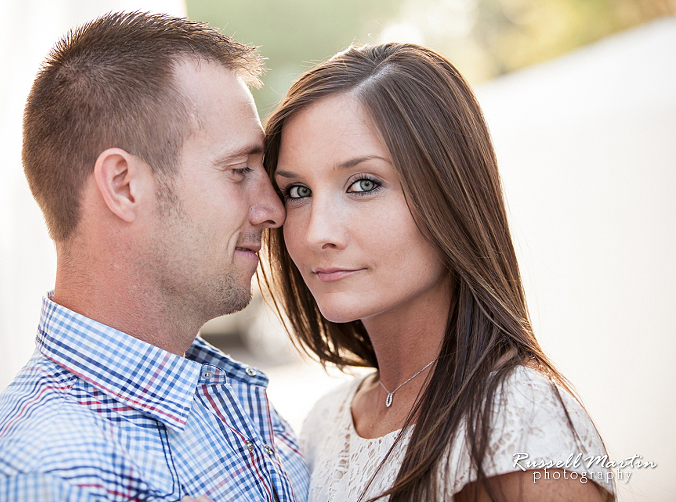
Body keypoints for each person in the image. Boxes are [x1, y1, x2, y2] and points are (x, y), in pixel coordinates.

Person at [0, 12, 308, 501]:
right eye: (239, 170)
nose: (272, 210)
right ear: (123, 186)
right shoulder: (50, 480)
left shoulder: (221, 396)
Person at [260, 44, 615, 501]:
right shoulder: (325, 424)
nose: (316, 232)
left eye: (364, 184)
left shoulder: (518, 428)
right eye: (297, 191)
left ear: (451, 193)